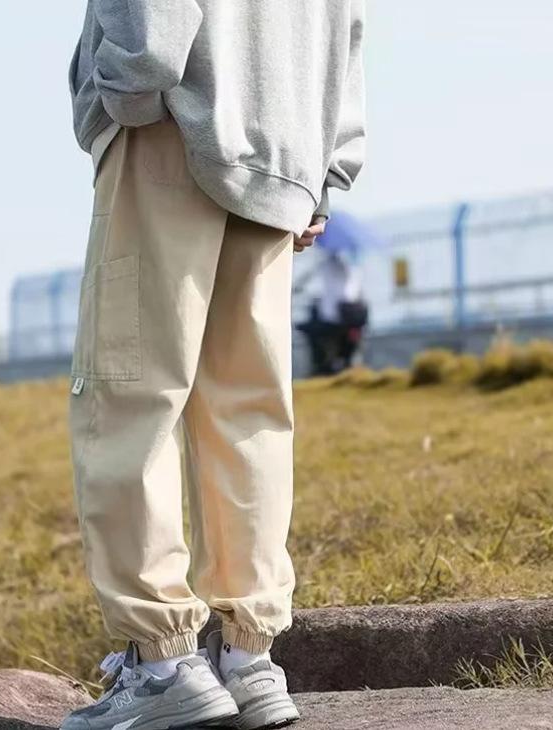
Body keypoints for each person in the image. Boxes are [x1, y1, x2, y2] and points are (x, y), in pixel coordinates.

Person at [64, 1, 365, 727]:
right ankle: (248, 658)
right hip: (282, 150)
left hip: (171, 124)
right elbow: (348, 26)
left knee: (129, 395)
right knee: (248, 410)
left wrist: (128, 86)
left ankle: (163, 664)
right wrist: (324, 168)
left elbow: (148, 32)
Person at [300, 250, 369, 375]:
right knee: (346, 353)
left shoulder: (329, 264)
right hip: (351, 317)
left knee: (315, 338)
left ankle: (323, 369)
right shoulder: (354, 266)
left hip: (332, 318)